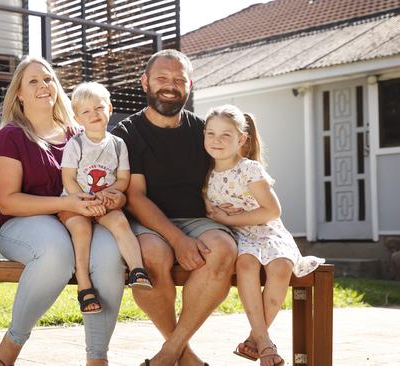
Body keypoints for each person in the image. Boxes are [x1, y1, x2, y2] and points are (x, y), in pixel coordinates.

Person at [0, 56, 126, 366]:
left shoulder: (79, 132)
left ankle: (97, 359)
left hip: (80, 221)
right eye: (33, 81)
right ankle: (7, 351)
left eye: (48, 79)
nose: (43, 86)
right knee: (56, 253)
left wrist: (111, 196)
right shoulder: (11, 136)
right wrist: (66, 203)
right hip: (23, 225)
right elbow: (7, 200)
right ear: (18, 93)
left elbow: (107, 175)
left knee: (110, 256)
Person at [111, 49, 237, 366]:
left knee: (221, 249)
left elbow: (228, 174)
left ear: (189, 85)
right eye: (162, 78)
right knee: (153, 257)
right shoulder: (126, 134)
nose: (171, 85)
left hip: (197, 219)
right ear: (145, 82)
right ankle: (188, 357)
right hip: (146, 222)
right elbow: (135, 196)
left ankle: (168, 354)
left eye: (179, 79)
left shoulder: (203, 131)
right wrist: (178, 240)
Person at [203, 104, 324, 366]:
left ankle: (254, 339)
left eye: (226, 135)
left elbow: (272, 211)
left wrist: (229, 217)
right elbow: (204, 208)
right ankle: (265, 343)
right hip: (237, 236)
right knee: (246, 264)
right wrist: (220, 217)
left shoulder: (249, 169)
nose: (217, 141)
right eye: (210, 134)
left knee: (281, 267)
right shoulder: (204, 174)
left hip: (267, 231)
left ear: (241, 139)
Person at [59, 81, 152, 314]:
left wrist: (113, 193)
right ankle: (83, 281)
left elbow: (122, 178)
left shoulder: (118, 145)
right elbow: (68, 177)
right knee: (81, 230)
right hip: (76, 202)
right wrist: (83, 202)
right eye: (86, 111)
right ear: (78, 118)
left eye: (99, 108)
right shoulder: (76, 144)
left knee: (121, 223)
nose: (94, 114)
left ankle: (137, 269)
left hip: (105, 203)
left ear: (109, 109)